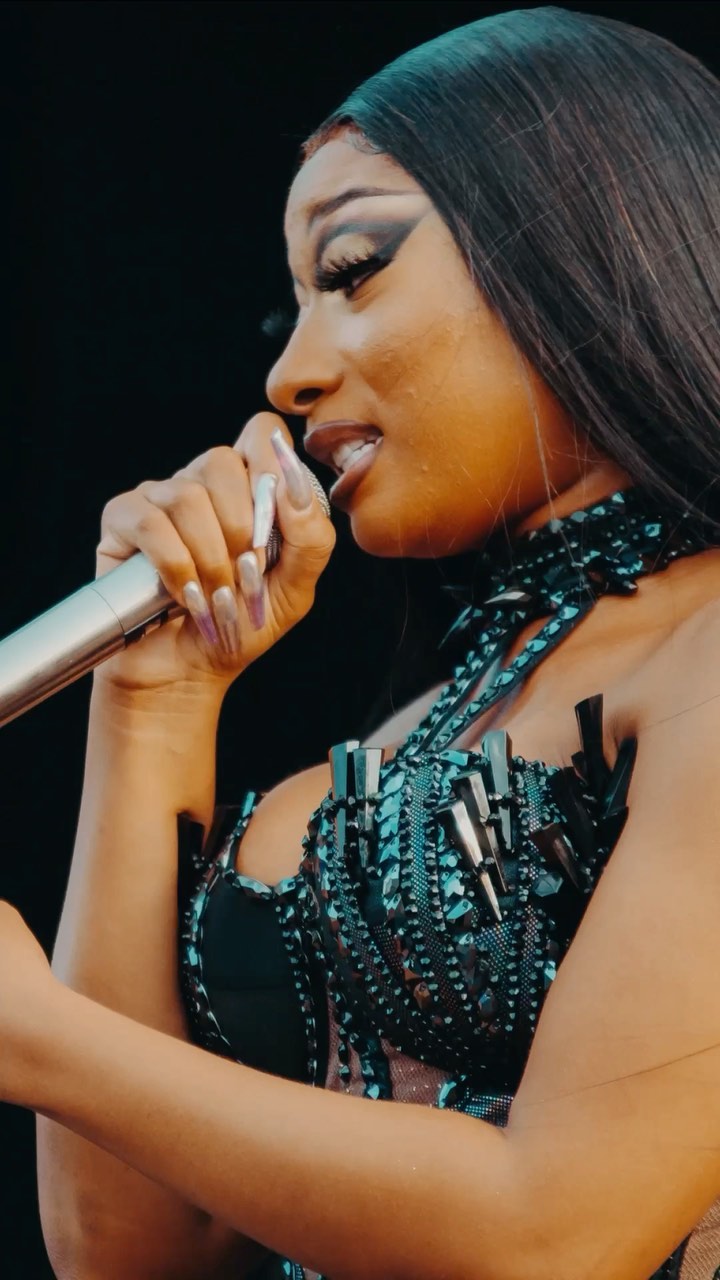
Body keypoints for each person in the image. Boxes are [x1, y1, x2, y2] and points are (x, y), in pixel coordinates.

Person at [2, 5, 720, 1277]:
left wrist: (42, 1035)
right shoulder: (428, 720)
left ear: (581, 236)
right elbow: (123, 1248)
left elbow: (559, 1230)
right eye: (293, 307)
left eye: (350, 272)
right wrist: (155, 699)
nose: (288, 375)